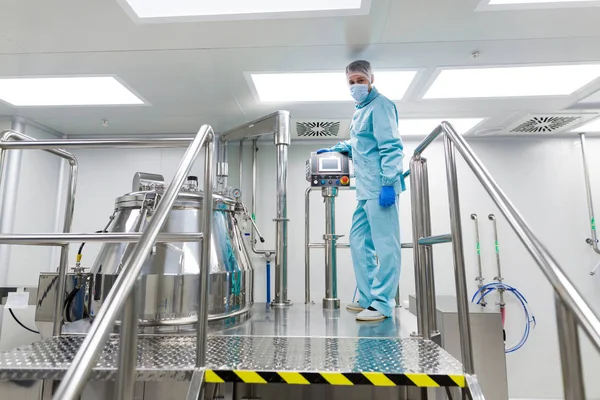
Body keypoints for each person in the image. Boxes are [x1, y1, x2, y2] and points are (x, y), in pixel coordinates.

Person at [317, 60, 405, 322]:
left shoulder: (381, 106)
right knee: (358, 241)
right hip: (364, 190)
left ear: (371, 79)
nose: (356, 86)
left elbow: (391, 146)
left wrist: (389, 182)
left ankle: (383, 302)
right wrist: (340, 148)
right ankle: (367, 297)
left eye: (360, 80)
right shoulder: (360, 110)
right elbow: (361, 143)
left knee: (386, 245)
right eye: (352, 82)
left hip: (381, 187)